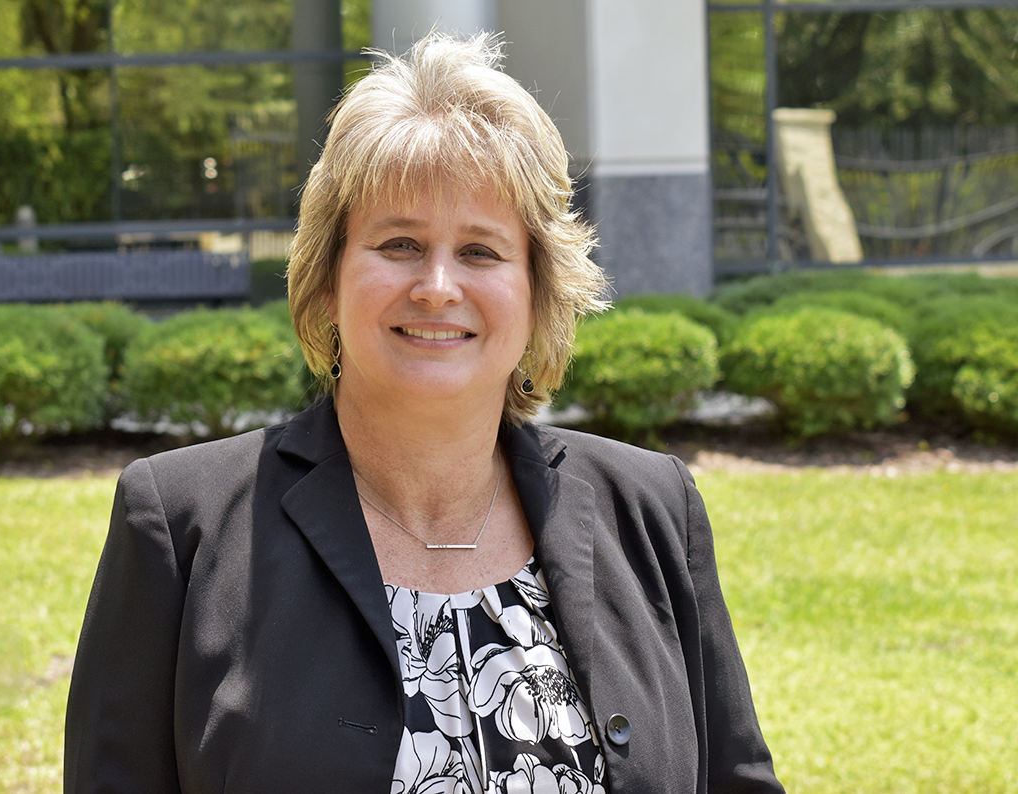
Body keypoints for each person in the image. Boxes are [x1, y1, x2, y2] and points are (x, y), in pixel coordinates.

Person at [64, 32, 785, 794]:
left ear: (538, 291)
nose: (438, 286)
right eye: (400, 243)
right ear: (329, 276)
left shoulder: (651, 508)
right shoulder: (180, 527)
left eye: (481, 251)